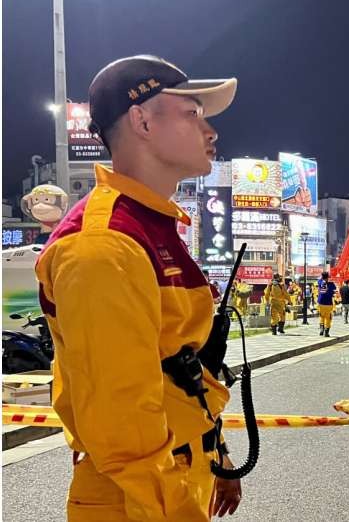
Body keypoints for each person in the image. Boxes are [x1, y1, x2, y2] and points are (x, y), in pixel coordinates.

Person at [34, 55, 241, 519]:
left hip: (176, 472)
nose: (210, 132)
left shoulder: (152, 227)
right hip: (136, 498)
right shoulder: (104, 245)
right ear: (142, 120)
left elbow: (176, 368)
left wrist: (216, 450)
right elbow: (124, 430)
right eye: (192, 113)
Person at [317, 272, 337, 337]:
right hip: (328, 303)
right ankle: (326, 331)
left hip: (321, 302)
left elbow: (319, 280)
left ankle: (321, 329)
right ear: (328, 277)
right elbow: (335, 290)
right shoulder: (331, 284)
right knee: (328, 318)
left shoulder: (320, 282)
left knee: (321, 316)